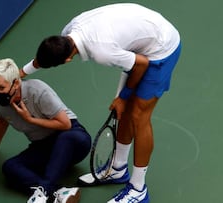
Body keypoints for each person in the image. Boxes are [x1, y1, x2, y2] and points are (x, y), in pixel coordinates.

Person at [19, 3, 181, 203]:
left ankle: (138, 190)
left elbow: (142, 64)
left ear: (68, 60)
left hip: (160, 48)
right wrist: (20, 73)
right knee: (124, 112)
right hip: (138, 40)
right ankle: (117, 169)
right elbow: (42, 59)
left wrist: (122, 98)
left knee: (138, 116)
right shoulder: (67, 33)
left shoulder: (102, 51)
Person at [0, 58, 92, 203]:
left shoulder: (37, 91)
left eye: (1, 87)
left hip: (73, 140)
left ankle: (42, 193)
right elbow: (1, 120)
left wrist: (30, 120)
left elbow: (65, 124)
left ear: (16, 83)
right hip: (44, 146)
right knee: (10, 167)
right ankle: (59, 192)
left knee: (66, 138)